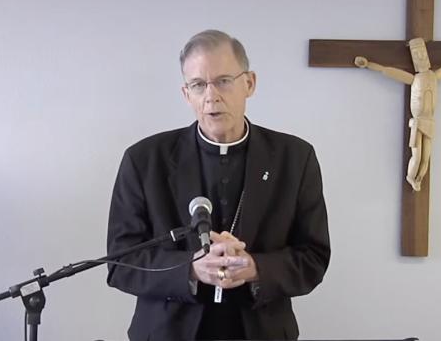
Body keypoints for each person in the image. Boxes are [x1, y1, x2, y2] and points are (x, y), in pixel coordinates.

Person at [107, 29, 331, 340]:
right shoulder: (145, 160)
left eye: (223, 81)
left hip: (260, 331)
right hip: (168, 332)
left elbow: (314, 258)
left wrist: (255, 267)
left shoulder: (294, 158)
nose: (211, 96)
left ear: (249, 83)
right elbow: (121, 262)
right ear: (187, 94)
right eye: (198, 85)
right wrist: (191, 268)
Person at [354, 38, 441, 191]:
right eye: (417, 55)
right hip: (418, 121)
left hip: (430, 121)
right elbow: (386, 71)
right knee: (418, 155)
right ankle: (411, 178)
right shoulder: (413, 79)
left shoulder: (436, 75)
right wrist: (367, 64)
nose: (420, 57)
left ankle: (418, 179)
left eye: (422, 54)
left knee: (426, 156)